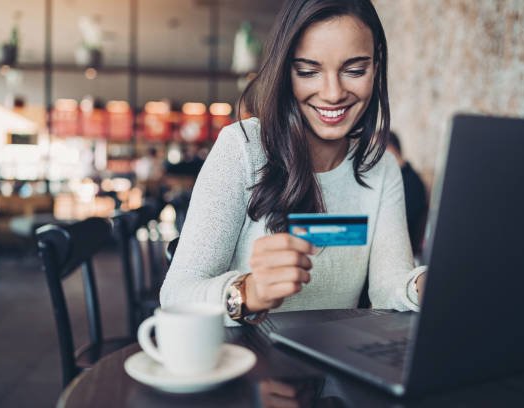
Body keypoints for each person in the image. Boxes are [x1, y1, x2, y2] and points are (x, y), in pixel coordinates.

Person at [160, 0, 427, 326]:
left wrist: (422, 285)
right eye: (308, 71)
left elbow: (389, 286)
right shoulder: (243, 148)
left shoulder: (381, 167)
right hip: (250, 363)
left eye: (355, 70)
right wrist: (249, 292)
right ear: (285, 72)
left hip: (335, 365)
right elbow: (176, 292)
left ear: (376, 67)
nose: (332, 93)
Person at [386, 131, 428, 255]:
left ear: (390, 150)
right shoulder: (398, 177)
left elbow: (400, 224)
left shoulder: (412, 182)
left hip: (404, 250)